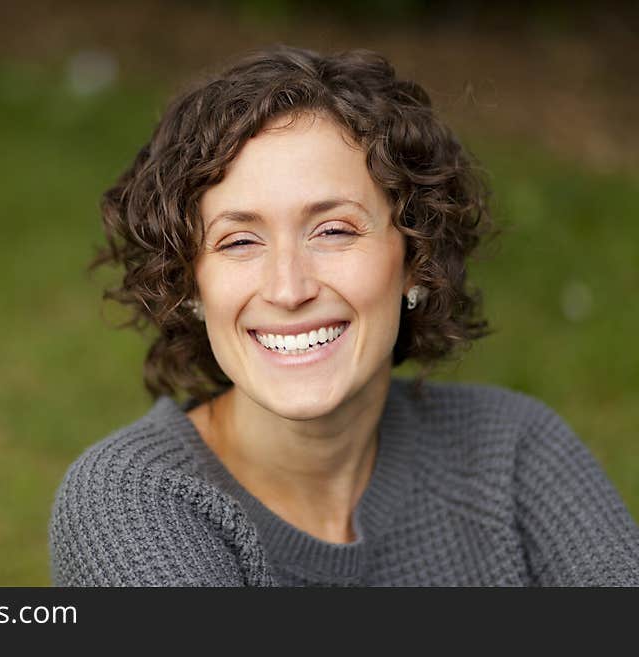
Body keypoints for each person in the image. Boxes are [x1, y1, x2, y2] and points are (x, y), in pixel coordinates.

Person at [49, 45, 639, 586]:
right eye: (238, 241)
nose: (289, 287)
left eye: (333, 231)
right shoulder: (129, 504)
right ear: (189, 282)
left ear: (416, 258)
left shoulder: (513, 451)